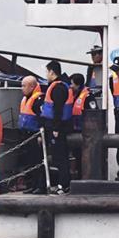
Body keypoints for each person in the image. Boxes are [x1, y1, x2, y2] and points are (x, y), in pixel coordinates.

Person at [42, 61, 72, 192]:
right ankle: (61, 183)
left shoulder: (58, 88)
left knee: (61, 156)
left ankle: (64, 185)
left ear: (52, 72)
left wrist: (56, 128)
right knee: (58, 156)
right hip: (56, 125)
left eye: (47, 72)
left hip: (58, 128)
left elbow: (58, 109)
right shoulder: (61, 85)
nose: (46, 75)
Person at [19, 76, 46, 193]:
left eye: (24, 86)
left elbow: (43, 118)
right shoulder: (26, 99)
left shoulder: (38, 99)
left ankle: (40, 186)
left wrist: (40, 135)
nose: (22, 88)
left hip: (35, 135)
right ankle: (33, 185)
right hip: (27, 135)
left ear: (31, 86)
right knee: (30, 161)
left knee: (38, 161)